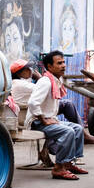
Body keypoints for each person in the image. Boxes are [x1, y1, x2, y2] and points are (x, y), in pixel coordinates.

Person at [26, 50, 88, 180]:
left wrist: (49, 119)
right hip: (37, 123)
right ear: (49, 67)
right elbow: (32, 102)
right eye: (59, 63)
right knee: (68, 132)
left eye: (64, 62)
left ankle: (68, 163)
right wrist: (43, 119)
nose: (63, 65)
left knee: (77, 128)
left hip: (48, 120)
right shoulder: (46, 81)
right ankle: (58, 168)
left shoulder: (55, 81)